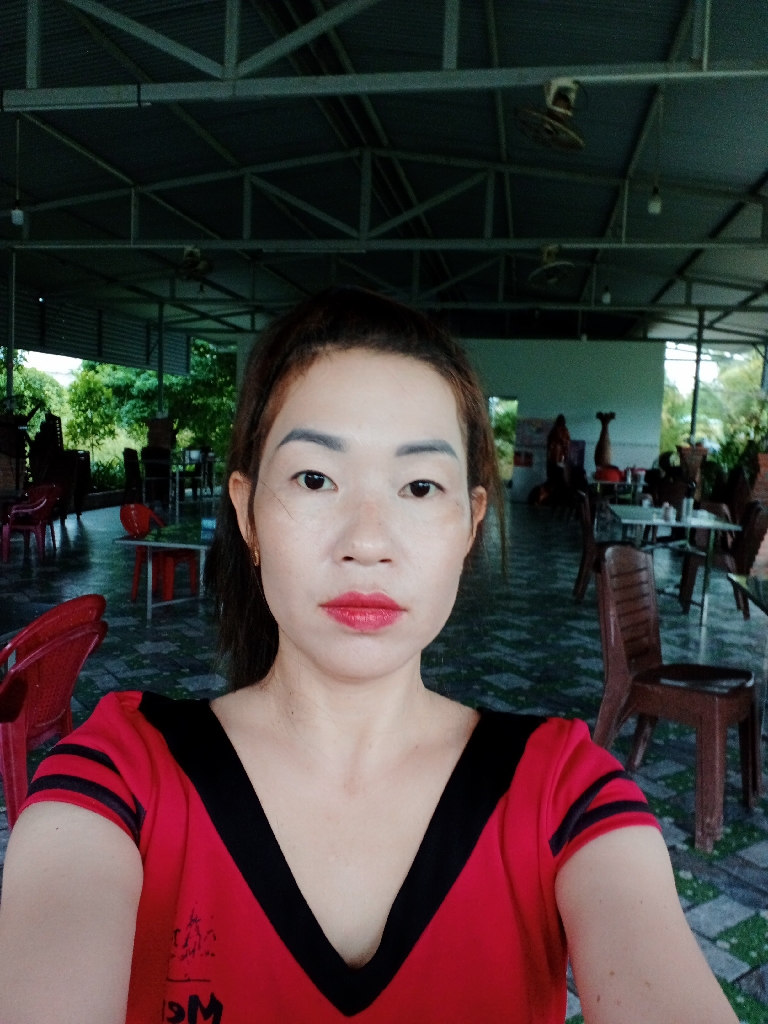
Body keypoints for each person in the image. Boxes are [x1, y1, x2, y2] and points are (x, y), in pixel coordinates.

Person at [0, 288, 735, 1024]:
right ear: (247, 512)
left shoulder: (565, 795)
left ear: (470, 523)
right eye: (315, 478)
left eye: (420, 486)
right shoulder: (119, 778)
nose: (368, 541)